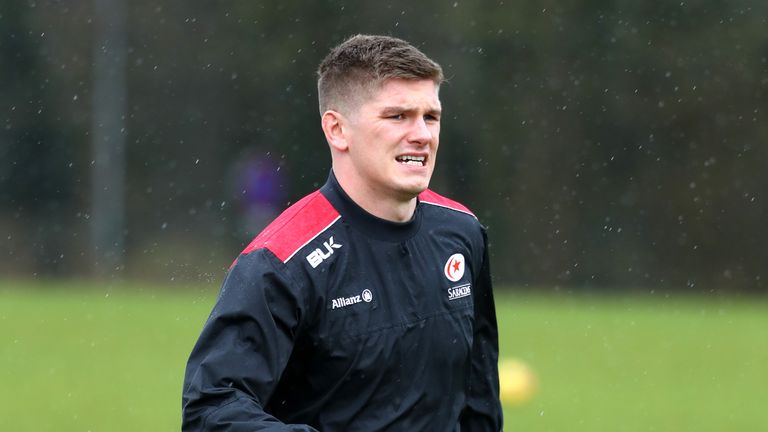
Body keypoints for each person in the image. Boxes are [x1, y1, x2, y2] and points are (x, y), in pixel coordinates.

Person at [182, 34, 502, 431]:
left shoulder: (462, 232)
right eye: (397, 116)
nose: (422, 134)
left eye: (430, 117)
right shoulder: (279, 264)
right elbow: (212, 409)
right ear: (337, 130)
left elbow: (478, 398)